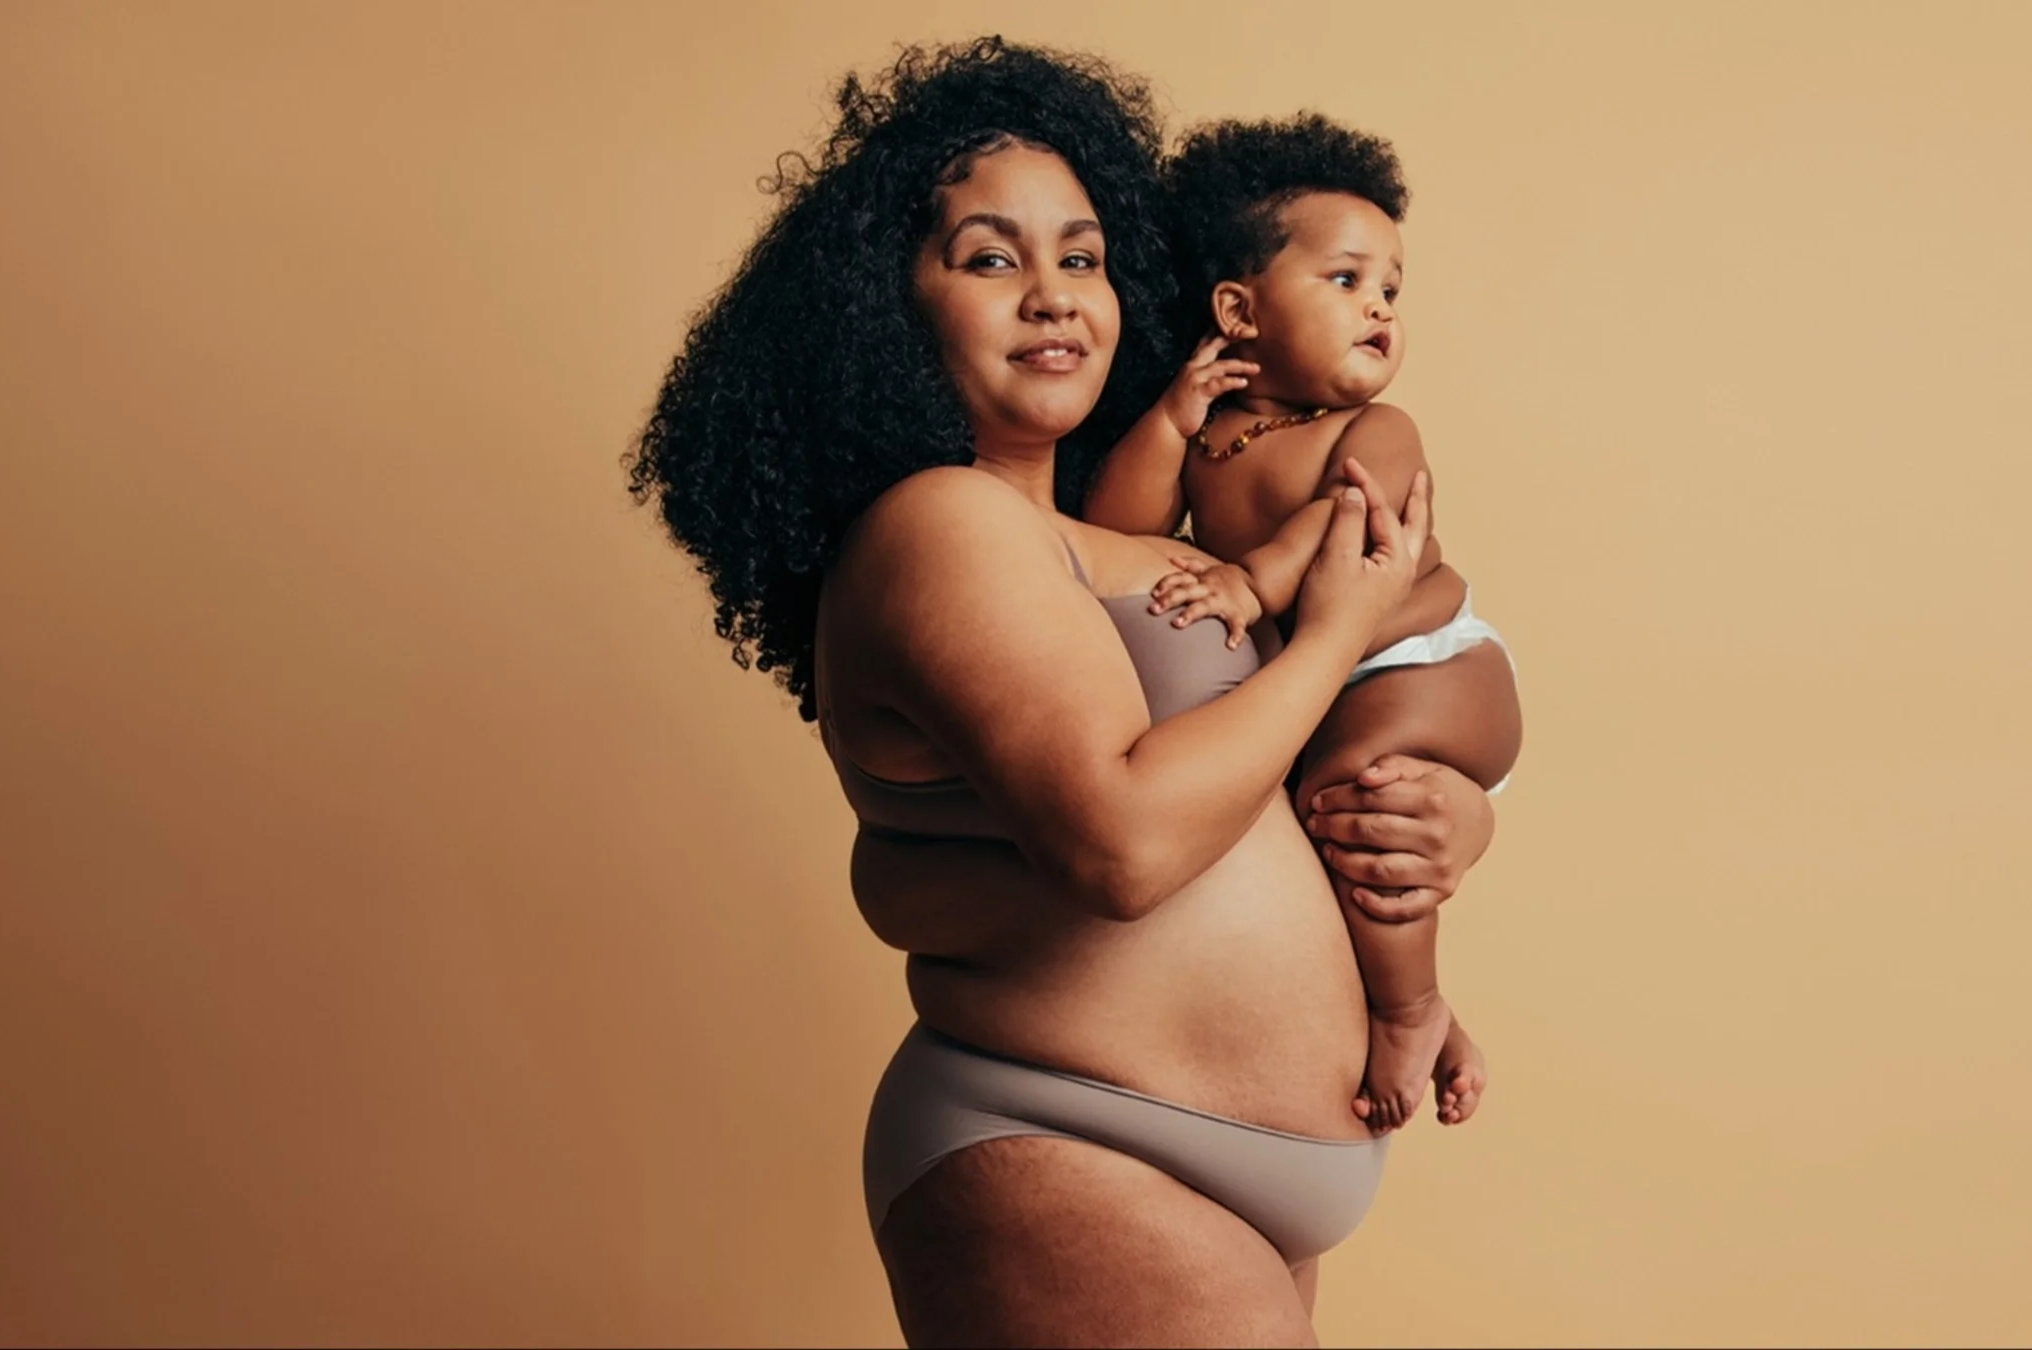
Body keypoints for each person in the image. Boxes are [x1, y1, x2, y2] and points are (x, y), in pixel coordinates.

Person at [629, 38, 1500, 1346]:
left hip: (1209, 1159)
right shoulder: (942, 527)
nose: (1053, 296)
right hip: (1069, 1141)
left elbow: (1273, 771)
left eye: (1082, 256)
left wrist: (1439, 824)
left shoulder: (1149, 540)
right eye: (991, 257)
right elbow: (1127, 841)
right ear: (890, 304)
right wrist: (1335, 631)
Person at [1084, 113, 1525, 1132]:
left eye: (1391, 290)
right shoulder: (1215, 438)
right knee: (1330, 833)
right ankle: (1398, 996)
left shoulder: (1375, 429)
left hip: (1428, 663)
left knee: (1351, 795)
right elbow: (1121, 532)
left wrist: (1249, 585)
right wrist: (1166, 425)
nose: (1379, 306)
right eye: (1347, 281)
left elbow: (1356, 522)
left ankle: (1409, 1007)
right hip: (1338, 683)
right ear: (1237, 309)